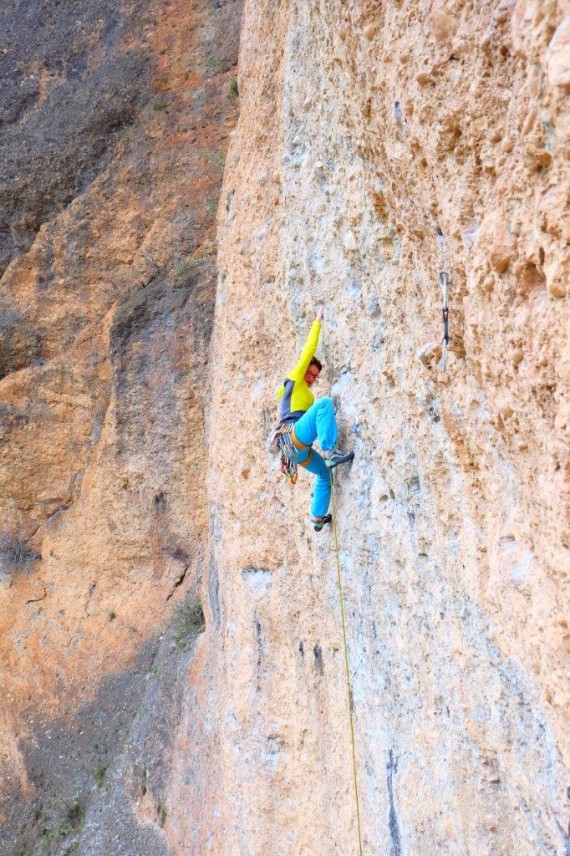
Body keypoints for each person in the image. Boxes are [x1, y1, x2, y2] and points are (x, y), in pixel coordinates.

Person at [275, 305, 354, 531]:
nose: (311, 378)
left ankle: (318, 517)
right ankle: (330, 451)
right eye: (309, 373)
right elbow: (308, 351)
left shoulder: (303, 396)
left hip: (295, 449)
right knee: (325, 404)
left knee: (323, 474)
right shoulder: (295, 380)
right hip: (293, 437)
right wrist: (318, 320)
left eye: (315, 376)